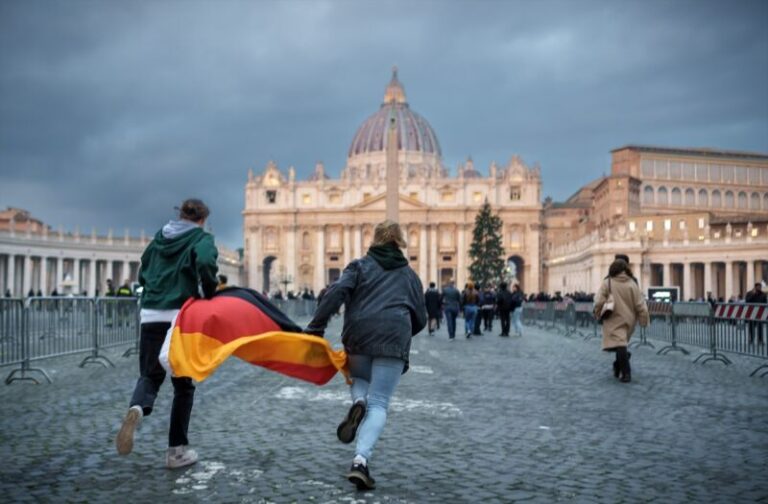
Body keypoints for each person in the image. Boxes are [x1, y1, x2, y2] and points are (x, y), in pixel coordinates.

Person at [304, 220, 426, 491]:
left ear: (375, 239)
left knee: (358, 377)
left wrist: (316, 327)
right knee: (379, 403)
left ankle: (359, 401)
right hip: (393, 338)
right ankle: (360, 461)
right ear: (399, 242)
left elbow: (336, 293)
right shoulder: (410, 275)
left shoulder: (358, 266)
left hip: (359, 335)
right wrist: (403, 331)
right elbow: (421, 316)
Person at [116, 198, 218, 469]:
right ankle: (176, 451)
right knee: (183, 385)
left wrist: (152, 288)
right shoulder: (201, 238)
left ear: (180, 215)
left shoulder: (160, 237)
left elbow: (144, 268)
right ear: (202, 219)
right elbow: (206, 262)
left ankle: (137, 408)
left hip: (150, 313)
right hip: (179, 317)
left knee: (149, 376)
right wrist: (208, 291)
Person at [593, 259, 649, 383]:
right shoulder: (632, 284)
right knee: (620, 343)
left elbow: (599, 301)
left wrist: (597, 312)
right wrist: (643, 319)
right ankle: (619, 365)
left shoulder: (607, 282)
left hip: (612, 318)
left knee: (619, 344)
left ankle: (626, 373)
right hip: (629, 319)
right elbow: (640, 304)